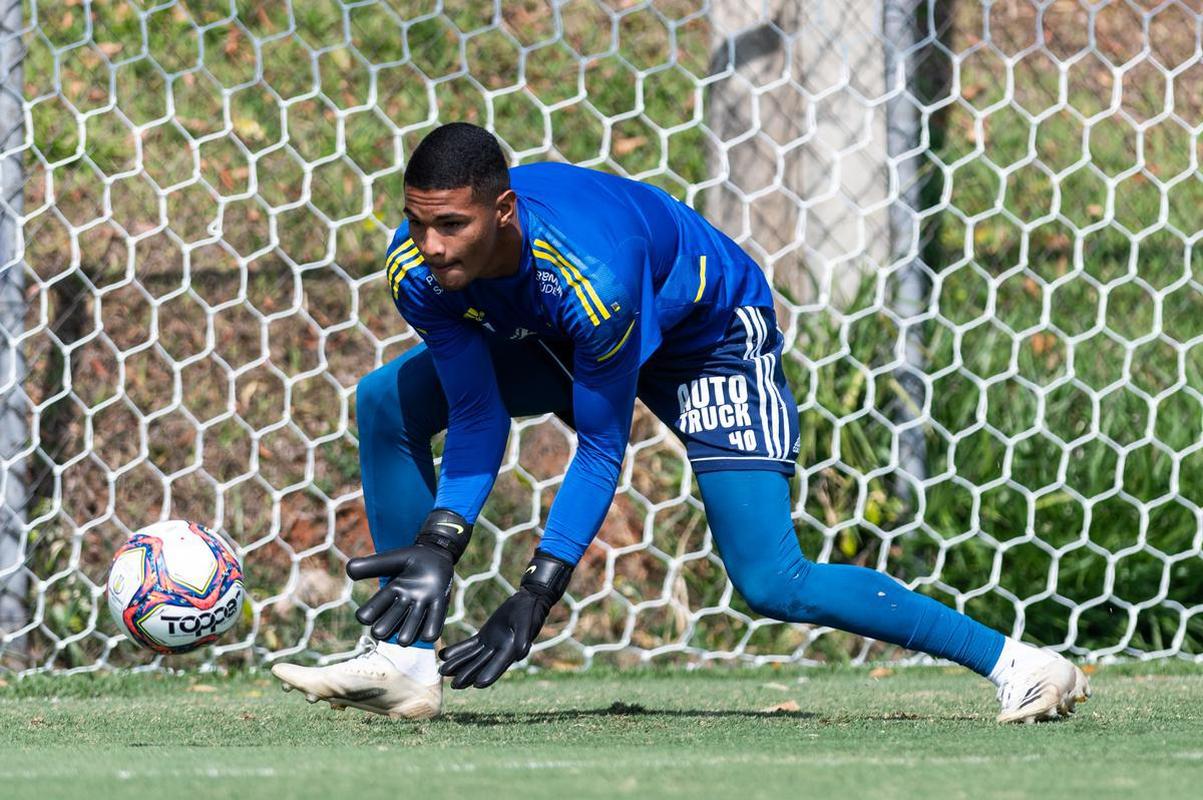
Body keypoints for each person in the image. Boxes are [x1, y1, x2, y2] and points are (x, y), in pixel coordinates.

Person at [271, 123, 1090, 724]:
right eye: (418, 221)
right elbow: (479, 415)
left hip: (706, 337)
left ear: (506, 212)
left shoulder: (589, 272)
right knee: (386, 402)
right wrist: (440, 544)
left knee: (771, 578)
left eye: (452, 225)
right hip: (568, 336)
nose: (431, 244)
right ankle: (404, 661)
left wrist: (534, 593)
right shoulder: (419, 273)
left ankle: (1021, 664)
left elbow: (600, 444)